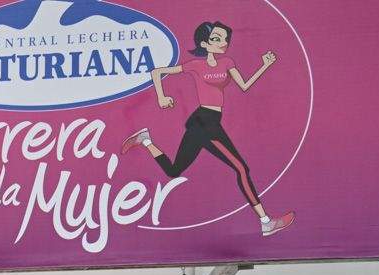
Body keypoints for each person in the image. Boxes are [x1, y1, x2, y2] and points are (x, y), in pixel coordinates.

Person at [122, 20, 294, 237]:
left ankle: (146, 139)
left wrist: (265, 65)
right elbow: (157, 72)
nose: (223, 43)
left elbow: (245, 86)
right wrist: (162, 97)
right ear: (204, 43)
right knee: (241, 169)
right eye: (216, 39)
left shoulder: (228, 63)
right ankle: (266, 222)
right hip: (204, 122)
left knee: (174, 171)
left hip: (210, 121)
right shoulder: (195, 65)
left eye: (225, 39)